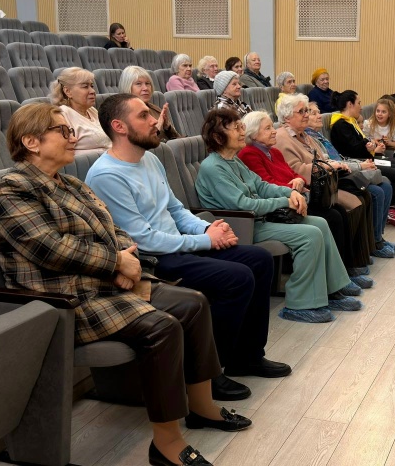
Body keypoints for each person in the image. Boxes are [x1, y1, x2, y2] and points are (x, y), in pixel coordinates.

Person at [0, 103, 251, 466]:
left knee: (193, 303)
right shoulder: (10, 190)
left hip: (104, 283)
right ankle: (167, 443)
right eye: (63, 131)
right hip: (63, 299)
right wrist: (116, 263)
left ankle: (202, 406)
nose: (73, 137)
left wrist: (125, 258)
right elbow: (49, 248)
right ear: (31, 142)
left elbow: (114, 229)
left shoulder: (71, 184)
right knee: (161, 327)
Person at [85, 94, 292, 403]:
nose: (155, 121)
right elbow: (143, 240)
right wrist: (206, 240)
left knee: (259, 259)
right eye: (144, 116)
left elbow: (176, 210)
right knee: (237, 277)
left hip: (179, 247)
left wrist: (206, 229)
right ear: (119, 126)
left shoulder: (150, 159)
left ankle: (247, 356)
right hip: (152, 260)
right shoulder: (107, 175)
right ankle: (208, 374)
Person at [196, 108, 365, 323]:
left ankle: (333, 289)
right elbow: (243, 205)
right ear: (218, 137)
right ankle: (300, 305)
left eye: (241, 126)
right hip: (240, 226)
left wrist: (291, 192)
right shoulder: (212, 167)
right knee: (310, 235)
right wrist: (285, 201)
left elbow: (261, 186)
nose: (242, 131)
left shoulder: (233, 160)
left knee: (320, 223)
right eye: (236, 128)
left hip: (258, 220)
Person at [239, 110, 374, 288]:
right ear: (253, 134)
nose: (273, 131)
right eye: (268, 128)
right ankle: (336, 278)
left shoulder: (274, 152)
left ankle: (345, 271)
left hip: (298, 196)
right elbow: (265, 184)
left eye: (272, 127)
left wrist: (299, 181)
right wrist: (293, 187)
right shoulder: (249, 154)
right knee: (332, 216)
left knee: (338, 211)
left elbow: (296, 174)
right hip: (282, 206)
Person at [274, 94, 384, 261]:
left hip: (326, 181)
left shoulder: (305, 135)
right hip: (311, 188)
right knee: (349, 206)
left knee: (365, 195)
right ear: (287, 117)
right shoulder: (282, 138)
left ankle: (363, 254)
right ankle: (350, 262)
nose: (306, 115)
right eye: (301, 111)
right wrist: (328, 166)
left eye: (306, 111)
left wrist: (333, 164)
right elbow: (296, 170)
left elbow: (322, 157)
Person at [306, 101, 395, 251]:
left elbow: (340, 158)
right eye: (313, 113)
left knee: (386, 184)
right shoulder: (311, 138)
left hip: (345, 168)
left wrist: (360, 163)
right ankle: (374, 243)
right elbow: (331, 163)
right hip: (337, 175)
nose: (319, 116)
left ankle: (378, 237)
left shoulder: (318, 136)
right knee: (377, 192)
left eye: (318, 112)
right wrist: (360, 165)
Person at [330, 90, 395, 218]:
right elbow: (353, 149)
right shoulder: (341, 125)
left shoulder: (350, 122)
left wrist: (373, 145)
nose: (361, 107)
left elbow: (361, 142)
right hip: (361, 161)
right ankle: (390, 207)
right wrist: (372, 148)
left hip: (370, 157)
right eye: (358, 103)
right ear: (350, 104)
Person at [48, 67, 111, 155]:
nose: (92, 91)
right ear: (68, 91)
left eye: (92, 86)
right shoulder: (62, 115)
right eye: (85, 87)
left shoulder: (91, 110)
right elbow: (64, 152)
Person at [119, 65, 181, 142]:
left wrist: (167, 127)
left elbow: (178, 139)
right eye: (138, 84)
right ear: (127, 87)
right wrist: (156, 130)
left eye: (148, 83)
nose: (145, 88)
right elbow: (135, 145)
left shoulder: (155, 109)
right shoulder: (123, 114)